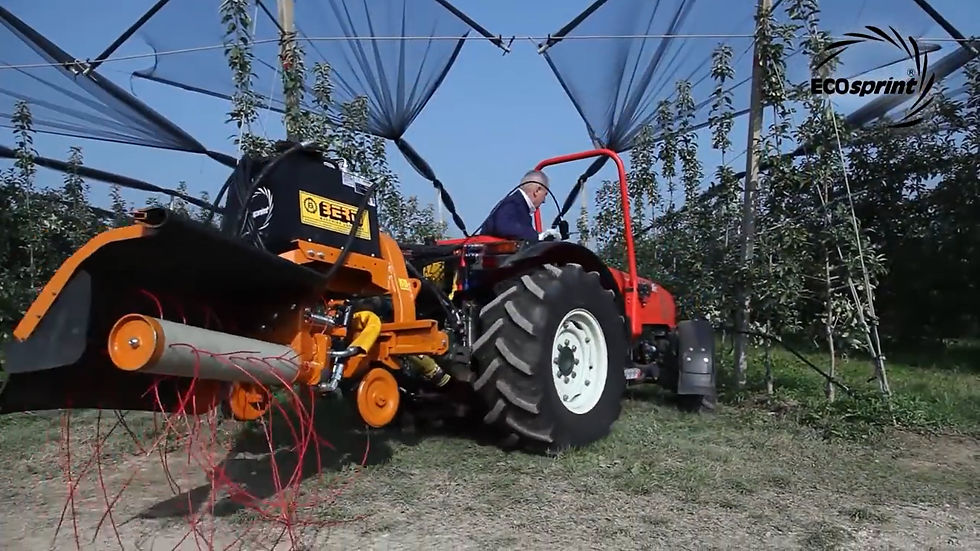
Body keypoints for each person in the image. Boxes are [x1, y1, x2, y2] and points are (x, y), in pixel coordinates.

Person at [478, 169, 562, 241]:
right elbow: (504, 227)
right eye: (545, 195)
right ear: (537, 191)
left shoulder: (518, 205)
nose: (544, 201)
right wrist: (539, 237)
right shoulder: (513, 204)